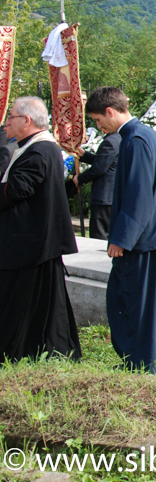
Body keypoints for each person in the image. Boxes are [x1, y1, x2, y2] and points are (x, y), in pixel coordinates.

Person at [85, 87, 156, 372]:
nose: (99, 127)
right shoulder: (143, 135)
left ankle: (141, 362)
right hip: (150, 236)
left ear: (110, 111)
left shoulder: (134, 140)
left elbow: (139, 196)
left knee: (132, 303)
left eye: (98, 120)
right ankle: (149, 359)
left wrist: (122, 239)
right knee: (145, 303)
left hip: (140, 241)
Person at [1, 96, 81, 363]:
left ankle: (24, 349)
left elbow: (17, 189)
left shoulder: (38, 150)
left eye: (11, 117)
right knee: (39, 301)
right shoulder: (37, 147)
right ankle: (36, 348)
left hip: (30, 241)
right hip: (35, 239)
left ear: (26, 120)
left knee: (22, 300)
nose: (7, 122)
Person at [73, 128, 120, 241]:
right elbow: (103, 160)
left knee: (100, 235)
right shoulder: (119, 138)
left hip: (105, 197)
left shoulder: (110, 141)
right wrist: (84, 155)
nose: (99, 126)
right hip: (113, 196)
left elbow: (99, 168)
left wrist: (80, 178)